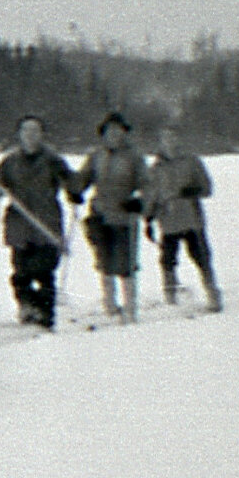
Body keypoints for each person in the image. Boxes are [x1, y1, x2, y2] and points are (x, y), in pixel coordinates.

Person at [0, 115, 76, 329]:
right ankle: (27, 307)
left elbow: (71, 181)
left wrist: (74, 192)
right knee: (21, 273)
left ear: (41, 134)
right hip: (20, 227)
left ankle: (44, 314)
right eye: (26, 131)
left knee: (43, 271)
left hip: (47, 225)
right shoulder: (10, 161)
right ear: (20, 134)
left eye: (35, 131)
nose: (30, 136)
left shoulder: (53, 160)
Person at [70, 112, 150, 322]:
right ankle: (110, 305)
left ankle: (130, 308)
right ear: (103, 134)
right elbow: (83, 178)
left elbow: (148, 184)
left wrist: (140, 201)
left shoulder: (134, 156)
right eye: (109, 131)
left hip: (125, 215)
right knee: (104, 262)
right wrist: (75, 190)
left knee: (126, 264)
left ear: (125, 133)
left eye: (118, 131)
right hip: (100, 214)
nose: (114, 135)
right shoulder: (96, 156)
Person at [144, 124, 223, 313]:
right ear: (160, 142)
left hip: (191, 219)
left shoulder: (191, 162)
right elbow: (151, 195)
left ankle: (213, 294)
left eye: (173, 137)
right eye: (165, 138)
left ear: (179, 139)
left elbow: (207, 188)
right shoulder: (156, 168)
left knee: (201, 257)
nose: (170, 142)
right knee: (167, 260)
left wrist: (194, 190)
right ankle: (170, 298)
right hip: (168, 221)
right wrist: (148, 217)